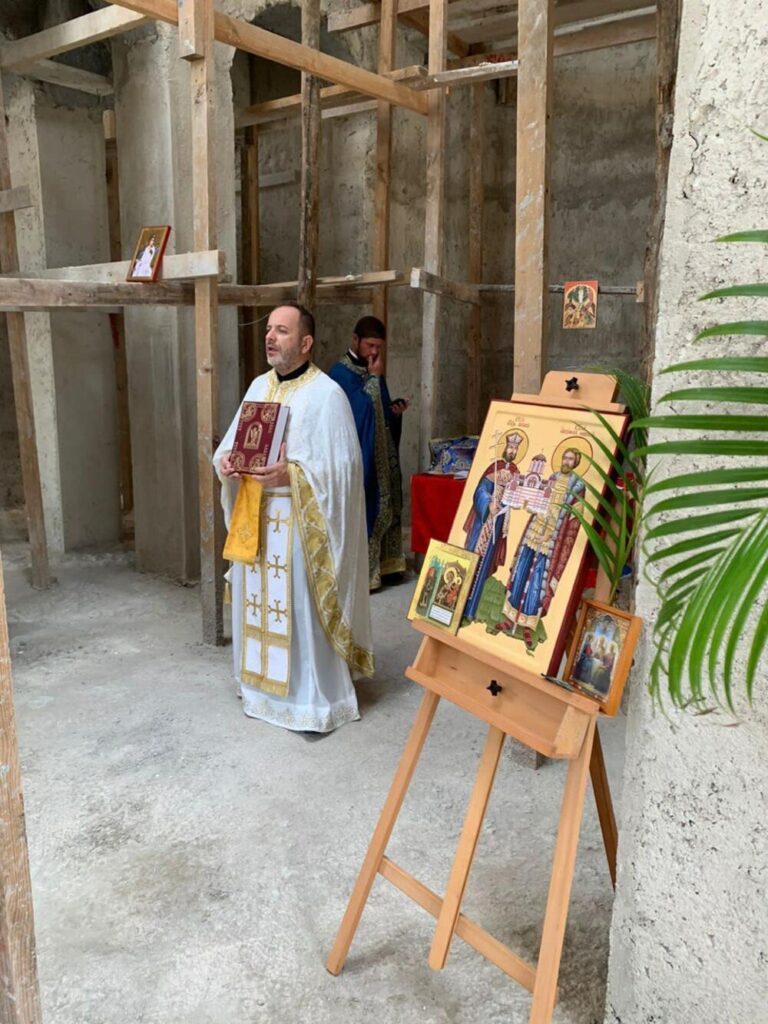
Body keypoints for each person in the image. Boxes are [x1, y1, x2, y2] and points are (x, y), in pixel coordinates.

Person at [213, 303, 373, 734]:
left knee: (298, 607)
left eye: (281, 331)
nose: (270, 337)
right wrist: (226, 462)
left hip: (299, 521)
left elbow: (345, 469)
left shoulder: (327, 395)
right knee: (256, 605)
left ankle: (308, 701)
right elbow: (231, 445)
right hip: (254, 517)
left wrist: (293, 474)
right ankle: (259, 691)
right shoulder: (258, 386)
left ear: (305, 342)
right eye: (269, 329)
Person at [328, 316, 407, 591]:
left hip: (383, 453)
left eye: (379, 347)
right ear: (355, 340)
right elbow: (357, 413)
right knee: (369, 508)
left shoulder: (372, 369)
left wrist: (394, 412)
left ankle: (388, 566)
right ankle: (367, 574)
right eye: (370, 345)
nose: (374, 351)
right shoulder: (339, 374)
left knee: (390, 506)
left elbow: (380, 408)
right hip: (361, 455)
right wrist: (374, 379)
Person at [499, 446, 586, 648]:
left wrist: (554, 530)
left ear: (576, 463)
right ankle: (510, 618)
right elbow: (539, 499)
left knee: (538, 579)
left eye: (570, 459)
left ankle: (529, 625)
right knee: (521, 570)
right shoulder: (552, 478)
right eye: (565, 457)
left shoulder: (578, 487)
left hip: (553, 537)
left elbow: (574, 521)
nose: (566, 461)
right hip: (535, 528)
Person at [462, 431, 523, 619]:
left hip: (497, 524)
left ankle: (471, 609)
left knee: (485, 563)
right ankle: (459, 603)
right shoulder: (494, 467)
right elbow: (480, 490)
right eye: (510, 447)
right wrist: (488, 503)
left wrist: (509, 502)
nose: (512, 451)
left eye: (515, 449)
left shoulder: (516, 473)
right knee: (473, 555)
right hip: (483, 522)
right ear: (505, 447)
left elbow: (517, 497)